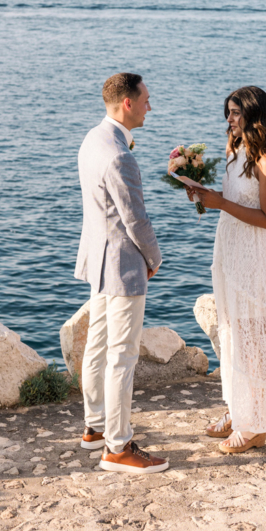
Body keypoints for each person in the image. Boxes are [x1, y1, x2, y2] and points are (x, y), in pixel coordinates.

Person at [186, 85, 266, 454]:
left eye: (235, 113)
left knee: (253, 338)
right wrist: (204, 194)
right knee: (231, 332)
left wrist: (219, 203)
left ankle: (257, 425)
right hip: (228, 246)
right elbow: (231, 197)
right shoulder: (235, 149)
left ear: (254, 115)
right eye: (227, 113)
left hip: (253, 252)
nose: (229, 120)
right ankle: (238, 408)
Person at [75, 72, 170, 474]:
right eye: (146, 99)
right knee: (122, 355)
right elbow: (135, 220)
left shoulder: (92, 139)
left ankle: (95, 425)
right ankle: (118, 447)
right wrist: (154, 258)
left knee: (97, 346)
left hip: (98, 259)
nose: (151, 106)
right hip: (122, 265)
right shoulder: (120, 155)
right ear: (127, 103)